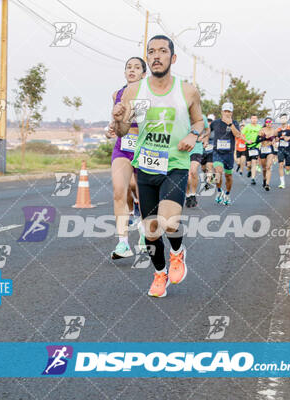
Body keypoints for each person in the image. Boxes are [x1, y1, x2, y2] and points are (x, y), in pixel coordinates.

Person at [111, 35, 204, 298]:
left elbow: (199, 122)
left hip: (174, 164)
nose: (156, 56)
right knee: (151, 232)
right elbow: (122, 131)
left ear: (172, 58)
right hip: (145, 166)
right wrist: (117, 120)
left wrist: (192, 136)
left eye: (163, 51)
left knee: (169, 220)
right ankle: (160, 273)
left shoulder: (187, 90)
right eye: (151, 51)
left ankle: (177, 252)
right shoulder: (133, 91)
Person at [106, 56, 146, 259]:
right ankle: (123, 243)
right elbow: (115, 121)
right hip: (123, 148)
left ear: (144, 74)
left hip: (146, 149)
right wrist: (110, 128)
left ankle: (144, 231)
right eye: (129, 67)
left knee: (144, 197)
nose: (132, 70)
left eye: (137, 67)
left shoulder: (150, 95)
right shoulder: (117, 94)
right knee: (119, 192)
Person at [212, 102, 244, 205]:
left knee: (228, 176)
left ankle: (227, 194)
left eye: (229, 111)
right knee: (218, 172)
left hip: (229, 154)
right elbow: (207, 130)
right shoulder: (215, 123)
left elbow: (238, 135)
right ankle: (219, 191)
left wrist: (230, 124)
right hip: (217, 152)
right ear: (221, 112)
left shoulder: (235, 123)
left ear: (232, 112)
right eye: (225, 111)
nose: (227, 113)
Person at [186, 114, 210, 208]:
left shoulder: (201, 117)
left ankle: (193, 194)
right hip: (184, 149)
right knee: (186, 175)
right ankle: (188, 195)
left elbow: (208, 130)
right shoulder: (181, 116)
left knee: (193, 171)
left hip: (197, 147)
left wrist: (203, 137)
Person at [276, 121, 290, 188]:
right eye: (281, 118)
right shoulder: (278, 129)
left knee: (287, 167)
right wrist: (276, 139)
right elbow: (274, 136)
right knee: (280, 165)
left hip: (289, 149)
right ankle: (282, 183)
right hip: (281, 149)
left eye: (284, 118)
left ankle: (288, 168)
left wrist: (289, 138)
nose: (283, 120)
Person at [257, 117, 277, 191]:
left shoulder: (274, 131)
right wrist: (263, 137)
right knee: (264, 168)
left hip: (270, 149)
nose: (269, 123)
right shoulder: (262, 130)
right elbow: (257, 140)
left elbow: (277, 138)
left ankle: (267, 184)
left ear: (272, 123)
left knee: (268, 167)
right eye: (267, 122)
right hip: (263, 149)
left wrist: (275, 141)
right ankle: (264, 179)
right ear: (265, 123)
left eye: (270, 122)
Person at [241, 114, 262, 184]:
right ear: (250, 119)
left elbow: (262, 136)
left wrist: (260, 144)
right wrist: (247, 141)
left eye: (255, 118)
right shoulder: (247, 127)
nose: (254, 120)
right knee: (249, 164)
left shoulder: (260, 127)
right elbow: (241, 135)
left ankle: (253, 178)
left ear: (257, 119)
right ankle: (249, 170)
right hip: (248, 146)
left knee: (254, 162)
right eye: (253, 118)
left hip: (256, 147)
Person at [200, 114, 215, 190]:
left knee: (209, 166)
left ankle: (209, 183)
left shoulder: (215, 130)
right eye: (208, 121)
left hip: (211, 151)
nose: (209, 123)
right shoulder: (201, 129)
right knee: (203, 168)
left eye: (211, 121)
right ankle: (209, 177)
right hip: (202, 150)